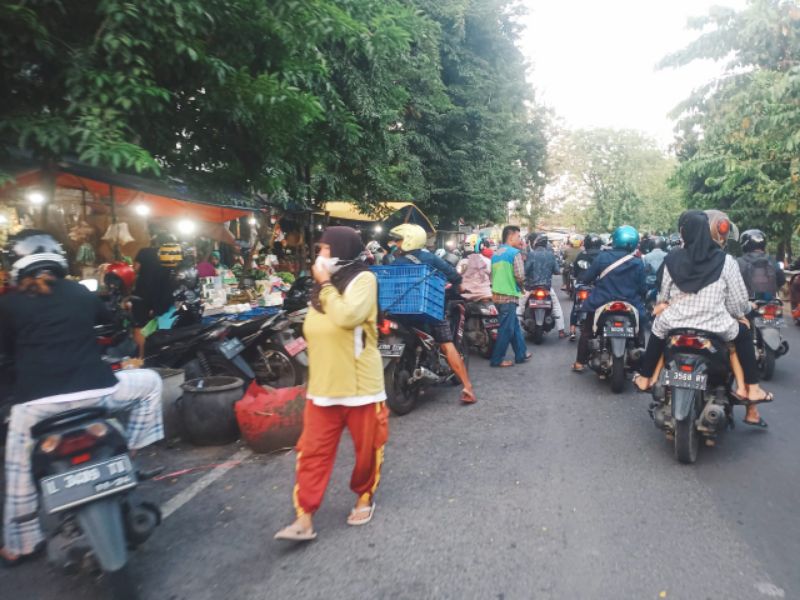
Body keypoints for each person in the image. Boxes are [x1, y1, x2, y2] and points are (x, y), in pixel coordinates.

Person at [0, 231, 164, 565]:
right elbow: (110, 323)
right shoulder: (77, 292)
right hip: (97, 393)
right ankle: (129, 451)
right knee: (150, 382)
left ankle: (23, 542)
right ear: (58, 261)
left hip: (36, 406)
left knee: (17, 467)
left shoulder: (8, 303)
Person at [275, 227, 388, 542]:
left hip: (360, 387)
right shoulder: (319, 290)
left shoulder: (363, 280)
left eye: (325, 249)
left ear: (341, 250)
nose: (319, 256)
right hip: (322, 388)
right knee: (311, 452)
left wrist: (325, 284)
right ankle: (304, 517)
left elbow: (348, 317)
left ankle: (364, 496)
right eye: (319, 249)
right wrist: (322, 286)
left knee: (368, 450)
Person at [633, 211, 773, 428]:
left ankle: (644, 377)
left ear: (683, 233)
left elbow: (664, 296)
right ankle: (752, 387)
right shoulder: (726, 261)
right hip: (715, 325)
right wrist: (741, 314)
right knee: (744, 335)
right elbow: (737, 303)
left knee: (658, 331)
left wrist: (667, 306)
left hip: (675, 323)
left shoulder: (672, 259)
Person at [389, 224, 477, 403]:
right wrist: (459, 285)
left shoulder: (394, 261)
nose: (396, 244)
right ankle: (468, 388)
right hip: (426, 310)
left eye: (399, 240)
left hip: (398, 311)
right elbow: (453, 274)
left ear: (408, 240)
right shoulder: (429, 258)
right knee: (446, 344)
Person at [572, 225, 646, 372]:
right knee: (640, 330)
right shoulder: (637, 262)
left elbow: (587, 278)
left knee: (587, 331)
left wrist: (585, 281)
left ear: (616, 239)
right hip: (630, 303)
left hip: (602, 301)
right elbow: (642, 288)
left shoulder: (603, 257)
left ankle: (580, 363)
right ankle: (640, 360)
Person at [490, 226, 531, 367]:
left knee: (513, 325)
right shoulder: (514, 253)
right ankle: (497, 359)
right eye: (518, 236)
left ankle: (521, 353)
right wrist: (523, 287)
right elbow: (519, 275)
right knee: (506, 329)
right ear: (511, 236)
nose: (520, 240)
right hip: (508, 295)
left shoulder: (496, 254)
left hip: (497, 295)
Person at [131, 247, 174, 358]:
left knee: (139, 327)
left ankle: (141, 359)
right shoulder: (167, 260)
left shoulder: (144, 254)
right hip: (163, 300)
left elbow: (136, 269)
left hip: (144, 300)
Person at [524, 234, 566, 338]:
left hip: (531, 287)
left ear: (535, 244)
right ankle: (561, 331)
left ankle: (513, 330)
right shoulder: (551, 255)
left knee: (519, 306)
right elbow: (557, 271)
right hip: (546, 288)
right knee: (556, 307)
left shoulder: (531, 255)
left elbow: (525, 271)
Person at [568, 233, 604, 341]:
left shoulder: (582, 254)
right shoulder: (603, 255)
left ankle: (572, 330)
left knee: (576, 306)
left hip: (583, 285)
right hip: (599, 286)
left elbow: (575, 272)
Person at [737, 229, 785, 301]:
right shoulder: (772, 260)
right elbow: (782, 280)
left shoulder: (738, 262)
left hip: (747, 303)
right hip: (770, 302)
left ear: (745, 244)